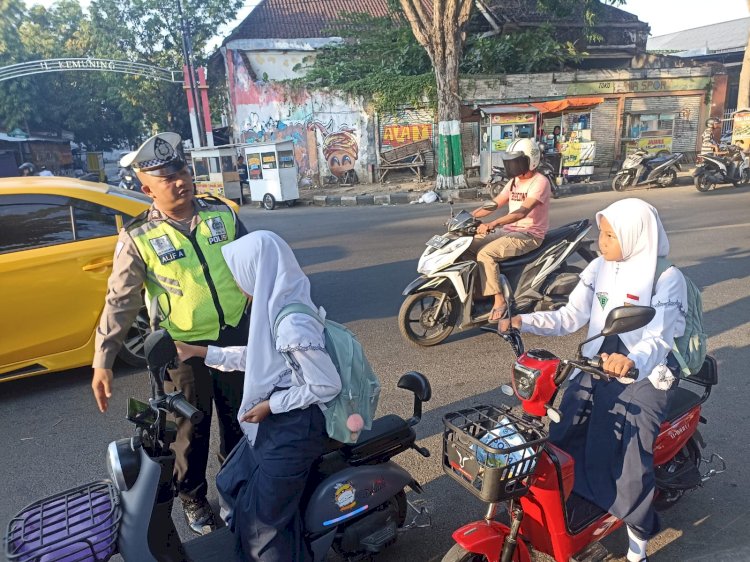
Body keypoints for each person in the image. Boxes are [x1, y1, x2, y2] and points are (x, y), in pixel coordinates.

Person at [501, 198, 688, 562]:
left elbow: (660, 337)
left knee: (630, 457)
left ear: (635, 236)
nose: (601, 242)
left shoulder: (666, 277)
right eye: (601, 234)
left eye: (610, 236)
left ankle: (638, 544)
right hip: (597, 363)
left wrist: (630, 360)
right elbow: (571, 315)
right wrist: (525, 321)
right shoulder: (600, 266)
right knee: (563, 432)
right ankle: (572, 511)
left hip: (645, 374)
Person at [90, 132, 250, 535]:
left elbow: (257, 264)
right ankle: (194, 500)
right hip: (181, 349)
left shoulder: (223, 215)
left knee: (241, 419)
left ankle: (237, 488)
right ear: (147, 188)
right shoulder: (139, 237)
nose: (179, 181)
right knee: (188, 431)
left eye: (181, 171)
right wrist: (103, 359)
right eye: (166, 178)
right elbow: (120, 301)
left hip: (235, 334)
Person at [175, 230, 341, 561]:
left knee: (261, 528)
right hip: (282, 418)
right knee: (231, 481)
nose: (238, 285)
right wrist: (201, 352)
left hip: (296, 425)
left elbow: (326, 384)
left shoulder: (292, 322)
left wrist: (270, 405)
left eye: (239, 274)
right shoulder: (276, 305)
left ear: (258, 270)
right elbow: (263, 357)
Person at [469, 137, 551, 322]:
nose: (513, 166)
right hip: (509, 230)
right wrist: (471, 216)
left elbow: (521, 212)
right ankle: (479, 292)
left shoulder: (540, 182)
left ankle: (499, 300)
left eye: (517, 162)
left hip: (529, 234)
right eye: (511, 162)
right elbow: (496, 202)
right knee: (469, 245)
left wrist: (492, 224)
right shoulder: (514, 181)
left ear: (531, 161)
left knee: (486, 254)